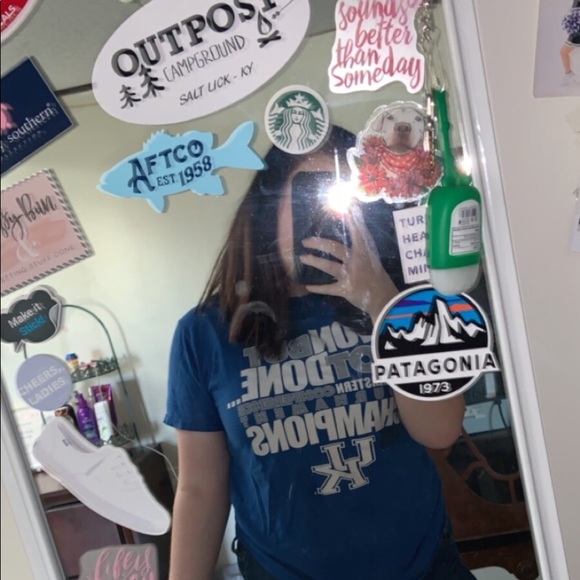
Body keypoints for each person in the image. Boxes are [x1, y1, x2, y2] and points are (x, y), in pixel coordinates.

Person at [164, 125, 474, 579]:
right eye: (307, 197)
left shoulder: (404, 306)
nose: (323, 219)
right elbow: (200, 489)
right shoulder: (205, 334)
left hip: (423, 570)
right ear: (267, 207)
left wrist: (381, 302)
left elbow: (440, 430)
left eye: (345, 200)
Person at [561, 0, 580, 86]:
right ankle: (568, 74)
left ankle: (569, 75)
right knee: (563, 52)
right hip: (575, 31)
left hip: (577, 32)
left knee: (563, 52)